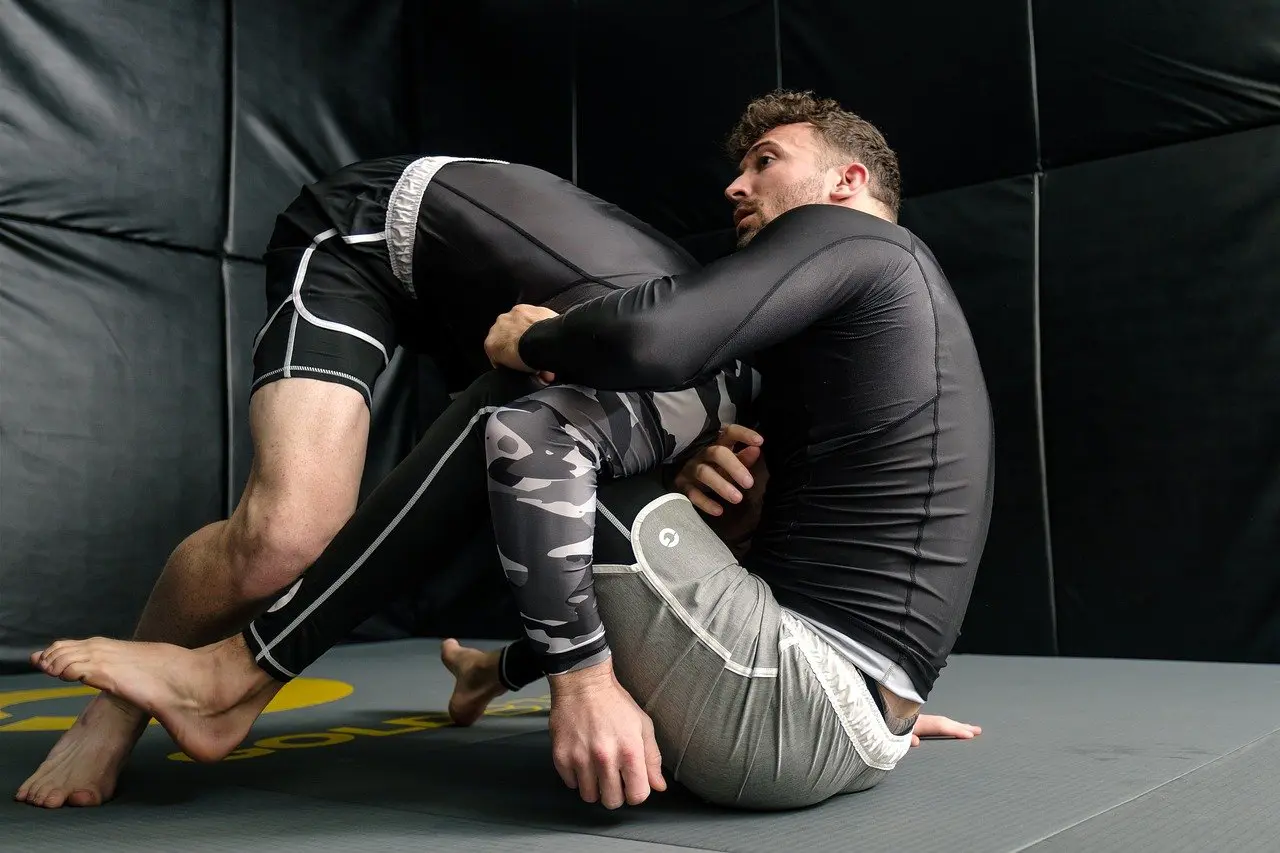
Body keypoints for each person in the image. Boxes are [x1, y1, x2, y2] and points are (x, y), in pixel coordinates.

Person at [26, 89, 992, 812]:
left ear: (848, 181)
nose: (736, 184)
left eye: (767, 161)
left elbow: (648, 344)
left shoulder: (855, 244)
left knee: (531, 415)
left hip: (792, 710)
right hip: (850, 721)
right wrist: (885, 703)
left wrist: (524, 341)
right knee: (629, 479)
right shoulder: (871, 327)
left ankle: (239, 671)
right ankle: (492, 670)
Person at [15, 151, 724, 809]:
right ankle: (113, 711)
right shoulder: (685, 355)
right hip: (370, 230)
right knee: (284, 536)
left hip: (488, 309)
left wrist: (509, 668)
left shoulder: (718, 405)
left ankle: (477, 671)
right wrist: (582, 681)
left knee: (593, 502)